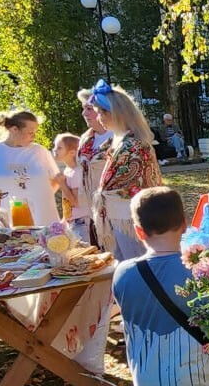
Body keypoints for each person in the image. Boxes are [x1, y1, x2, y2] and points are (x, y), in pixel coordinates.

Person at [113, 186, 209, 386]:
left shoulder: (122, 274)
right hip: (202, 383)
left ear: (139, 231)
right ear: (184, 224)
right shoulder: (198, 271)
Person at [84, 81, 162, 261]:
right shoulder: (120, 140)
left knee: (136, 265)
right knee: (126, 262)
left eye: (100, 113)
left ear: (114, 114)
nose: (99, 118)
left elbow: (118, 184)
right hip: (121, 216)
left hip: (130, 218)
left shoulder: (132, 145)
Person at [0, 110, 63, 227]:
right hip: (7, 222)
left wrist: (39, 198)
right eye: (30, 132)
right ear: (14, 129)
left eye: (35, 132)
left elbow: (55, 179)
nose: (34, 136)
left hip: (44, 221)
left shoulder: (40, 152)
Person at [74, 88, 113, 247]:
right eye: (84, 109)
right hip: (92, 212)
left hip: (115, 212)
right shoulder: (86, 138)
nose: (84, 114)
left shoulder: (118, 138)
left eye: (89, 109)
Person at [53, 133, 91, 244]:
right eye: (55, 146)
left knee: (84, 253)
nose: (55, 150)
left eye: (59, 148)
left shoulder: (76, 172)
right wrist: (65, 220)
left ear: (72, 152)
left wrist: (62, 184)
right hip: (73, 221)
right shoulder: (68, 170)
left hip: (81, 222)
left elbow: (75, 202)